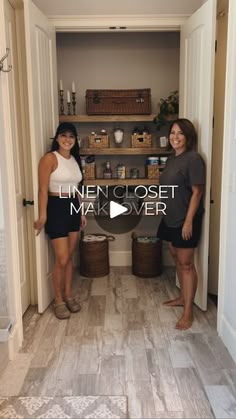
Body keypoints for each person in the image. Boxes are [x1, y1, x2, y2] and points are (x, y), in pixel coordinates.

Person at [34, 122, 87, 319]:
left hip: (73, 206)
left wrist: (81, 212)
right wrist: (43, 215)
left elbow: (77, 188)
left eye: (71, 136)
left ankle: (69, 295)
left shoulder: (75, 159)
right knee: (62, 258)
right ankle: (58, 300)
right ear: (56, 138)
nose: (67, 139)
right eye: (63, 135)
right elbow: (42, 189)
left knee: (70, 257)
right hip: (55, 207)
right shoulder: (49, 159)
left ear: (75, 140)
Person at [157, 118, 206, 330]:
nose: (175, 137)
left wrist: (188, 222)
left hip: (185, 219)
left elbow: (197, 192)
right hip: (169, 217)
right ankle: (181, 298)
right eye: (173, 133)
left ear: (188, 137)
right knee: (176, 257)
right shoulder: (171, 160)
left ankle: (188, 311)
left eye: (180, 133)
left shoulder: (193, 159)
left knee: (186, 265)